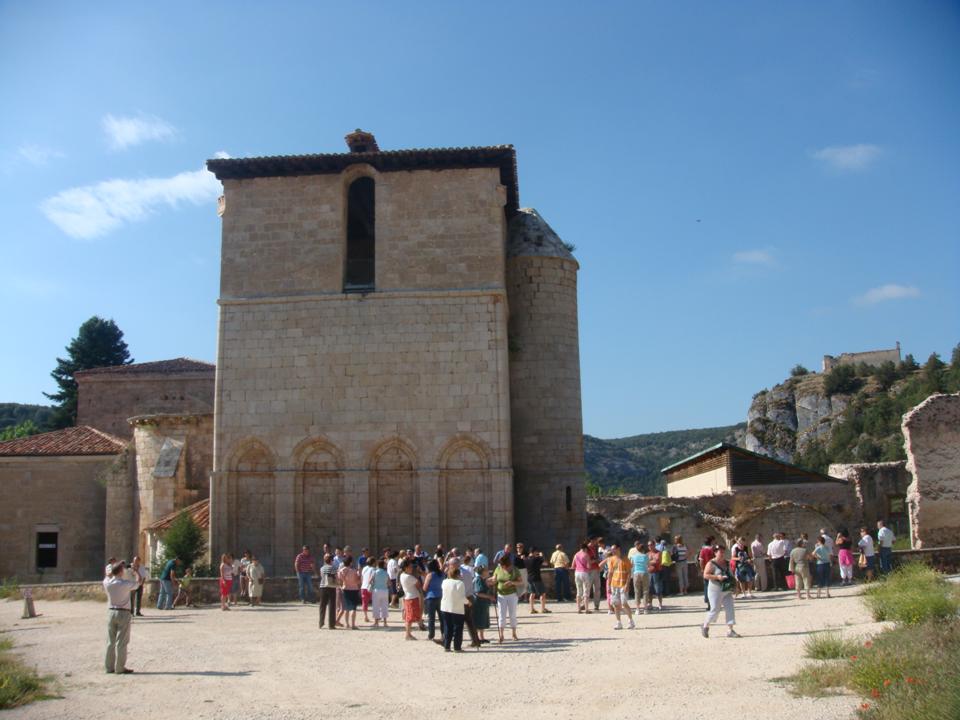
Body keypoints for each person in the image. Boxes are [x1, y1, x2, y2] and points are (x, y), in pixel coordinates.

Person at [103, 561, 139, 674]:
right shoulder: (125, 584)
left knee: (110, 641)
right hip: (123, 612)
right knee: (122, 642)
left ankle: (109, 667)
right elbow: (139, 582)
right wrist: (136, 572)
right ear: (121, 571)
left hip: (111, 612)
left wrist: (110, 572)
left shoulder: (107, 583)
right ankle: (120, 668)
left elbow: (107, 577)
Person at [701, 546, 740, 638]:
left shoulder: (727, 563)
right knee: (715, 610)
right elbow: (705, 575)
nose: (722, 554)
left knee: (730, 609)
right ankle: (705, 626)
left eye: (723, 552)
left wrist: (736, 586)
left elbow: (731, 575)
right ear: (715, 553)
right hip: (715, 589)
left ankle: (730, 630)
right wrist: (717, 577)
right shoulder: (711, 563)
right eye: (720, 552)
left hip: (726, 589)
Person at [600, 544, 635, 630]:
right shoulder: (611, 559)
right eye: (612, 550)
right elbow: (610, 573)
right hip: (614, 584)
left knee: (624, 603)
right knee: (616, 604)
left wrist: (627, 584)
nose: (612, 551)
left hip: (623, 584)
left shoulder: (625, 559)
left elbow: (629, 572)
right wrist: (608, 586)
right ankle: (618, 622)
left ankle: (631, 621)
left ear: (618, 549)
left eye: (614, 549)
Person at [493, 554, 522, 643]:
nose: (502, 566)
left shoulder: (515, 570)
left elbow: (520, 582)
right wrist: (490, 581)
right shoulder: (498, 569)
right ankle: (501, 635)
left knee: (512, 614)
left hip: (512, 594)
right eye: (501, 565)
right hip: (501, 594)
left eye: (503, 565)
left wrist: (512, 582)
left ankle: (514, 633)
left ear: (508, 564)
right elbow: (494, 579)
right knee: (501, 615)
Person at [440, 566, 470, 652]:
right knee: (458, 628)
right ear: (457, 574)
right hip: (456, 608)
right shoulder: (460, 583)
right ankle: (457, 647)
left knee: (448, 627)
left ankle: (447, 646)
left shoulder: (444, 582)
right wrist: (468, 602)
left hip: (445, 607)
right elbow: (462, 597)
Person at [399, 558, 422, 641]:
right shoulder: (409, 577)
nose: (412, 568)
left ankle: (408, 634)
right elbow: (418, 584)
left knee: (409, 617)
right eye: (410, 567)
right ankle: (408, 634)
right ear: (405, 568)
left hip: (408, 597)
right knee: (409, 617)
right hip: (412, 597)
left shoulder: (402, 575)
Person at [337, 555, 361, 629]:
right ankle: (353, 624)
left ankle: (347, 624)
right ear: (350, 562)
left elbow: (339, 581)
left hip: (345, 589)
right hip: (354, 589)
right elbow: (358, 581)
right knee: (353, 608)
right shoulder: (354, 571)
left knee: (346, 608)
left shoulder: (341, 571)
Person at [423, 559, 444, 642]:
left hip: (431, 597)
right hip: (441, 596)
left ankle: (431, 635)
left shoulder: (430, 575)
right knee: (442, 618)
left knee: (431, 618)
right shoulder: (442, 574)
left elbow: (425, 587)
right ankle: (443, 633)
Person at [472, 565, 494, 644]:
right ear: (483, 572)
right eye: (486, 570)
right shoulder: (478, 579)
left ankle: (481, 637)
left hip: (483, 603)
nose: (488, 571)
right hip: (479, 603)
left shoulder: (483, 579)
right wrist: (489, 596)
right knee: (478, 620)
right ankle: (476, 638)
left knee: (482, 620)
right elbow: (478, 593)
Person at [525, 547, 549, 614]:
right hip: (537, 578)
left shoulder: (526, 559)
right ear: (534, 552)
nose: (537, 553)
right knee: (543, 593)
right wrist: (542, 556)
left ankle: (532, 609)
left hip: (529, 578)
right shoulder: (537, 559)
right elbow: (546, 563)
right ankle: (543, 609)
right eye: (536, 552)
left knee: (532, 594)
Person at [318, 553, 338, 629]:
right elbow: (335, 577)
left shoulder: (322, 568)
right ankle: (331, 624)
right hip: (331, 587)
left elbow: (322, 576)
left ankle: (321, 622)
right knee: (332, 606)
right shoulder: (333, 568)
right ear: (331, 561)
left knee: (322, 605)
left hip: (323, 587)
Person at [630, 540, 651, 613]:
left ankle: (637, 609)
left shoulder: (633, 556)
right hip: (644, 572)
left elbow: (632, 565)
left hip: (636, 573)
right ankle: (645, 608)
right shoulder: (646, 556)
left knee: (637, 591)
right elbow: (648, 565)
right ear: (643, 549)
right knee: (645, 591)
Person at [572, 542, 593, 614]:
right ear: (585, 548)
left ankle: (579, 609)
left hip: (577, 573)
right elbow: (589, 566)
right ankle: (587, 609)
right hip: (584, 573)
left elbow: (573, 565)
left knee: (578, 592)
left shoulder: (576, 554)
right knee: (586, 591)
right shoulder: (586, 555)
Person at [371, 559, 390, 628]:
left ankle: (376, 622)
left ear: (378, 565)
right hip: (385, 590)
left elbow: (371, 581)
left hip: (376, 590)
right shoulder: (386, 573)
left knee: (376, 606)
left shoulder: (375, 572)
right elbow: (389, 582)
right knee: (384, 606)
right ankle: (385, 622)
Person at [647, 540, 664, 611]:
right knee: (649, 589)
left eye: (651, 544)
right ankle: (650, 604)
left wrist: (649, 562)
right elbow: (646, 562)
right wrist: (651, 562)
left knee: (658, 589)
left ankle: (660, 604)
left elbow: (657, 561)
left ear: (654, 545)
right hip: (649, 573)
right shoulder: (647, 553)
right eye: (648, 545)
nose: (649, 546)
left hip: (656, 572)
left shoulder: (658, 553)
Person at [698, 537, 715, 606]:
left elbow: (701, 561)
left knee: (707, 586)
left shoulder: (703, 550)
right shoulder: (713, 550)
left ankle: (708, 602)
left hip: (706, 569)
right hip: (713, 569)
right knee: (714, 586)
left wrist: (702, 569)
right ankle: (714, 601)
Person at [587, 538, 603, 612]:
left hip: (596, 569)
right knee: (587, 588)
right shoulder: (587, 549)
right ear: (591, 541)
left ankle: (596, 605)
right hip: (589, 570)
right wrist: (594, 561)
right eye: (595, 541)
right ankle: (585, 604)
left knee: (597, 588)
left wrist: (598, 561)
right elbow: (586, 560)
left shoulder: (595, 548)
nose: (596, 543)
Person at [360, 556, 376, 623]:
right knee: (375, 602)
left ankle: (365, 616)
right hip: (371, 587)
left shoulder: (364, 568)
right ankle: (376, 616)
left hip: (363, 587)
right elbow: (373, 578)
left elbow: (362, 577)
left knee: (365, 603)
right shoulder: (373, 569)